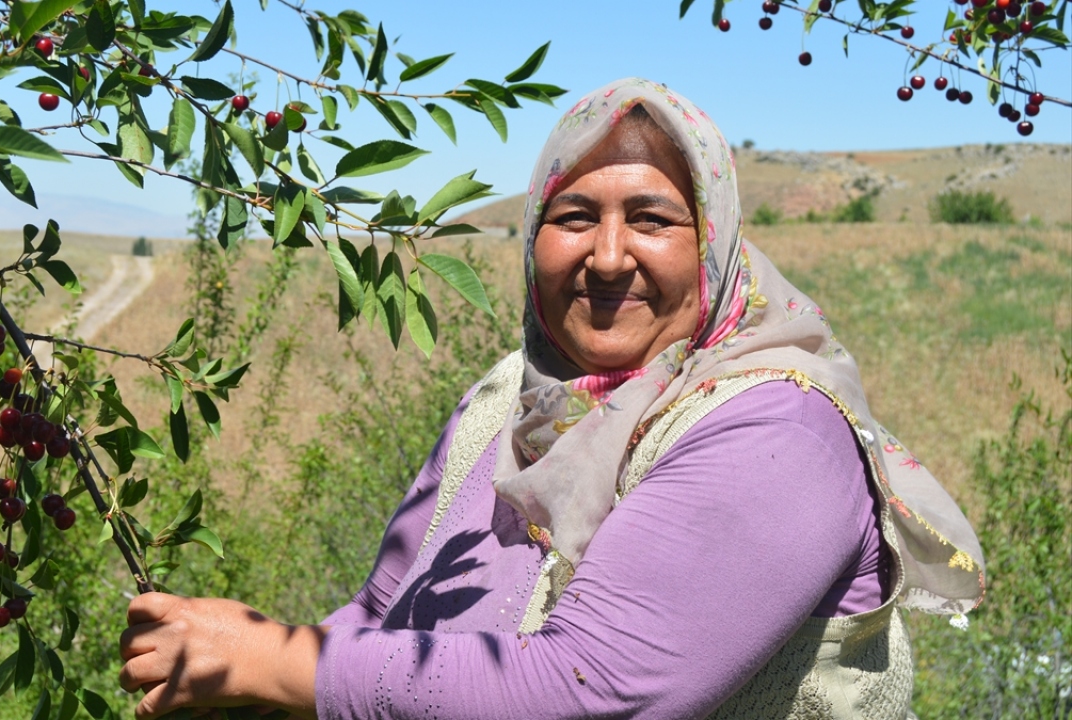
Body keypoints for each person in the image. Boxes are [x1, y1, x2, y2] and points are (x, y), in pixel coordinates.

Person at [118, 78, 985, 720]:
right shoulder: (512, 397)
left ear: (714, 244)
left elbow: (590, 691)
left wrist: (274, 663)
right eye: (574, 217)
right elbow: (386, 612)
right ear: (534, 236)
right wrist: (232, 670)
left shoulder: (776, 428)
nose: (608, 257)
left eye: (651, 220)